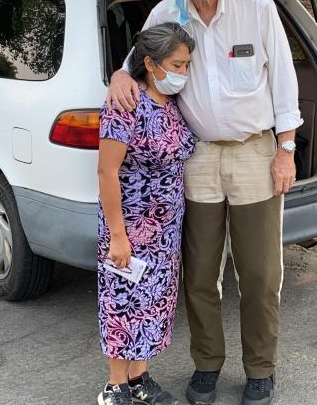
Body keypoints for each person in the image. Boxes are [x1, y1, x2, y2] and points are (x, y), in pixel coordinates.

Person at [108, 0, 302, 405]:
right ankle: (207, 365)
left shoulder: (255, 6)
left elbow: (284, 78)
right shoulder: (164, 15)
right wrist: (116, 73)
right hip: (196, 158)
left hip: (256, 153)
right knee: (199, 274)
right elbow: (136, 66)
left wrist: (286, 149)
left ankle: (260, 369)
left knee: (259, 274)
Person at [97, 23, 197, 405]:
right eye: (177, 64)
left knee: (153, 303)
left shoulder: (169, 105)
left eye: (187, 65)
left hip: (165, 231)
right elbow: (107, 172)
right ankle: (114, 386)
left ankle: (140, 378)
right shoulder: (125, 104)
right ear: (150, 63)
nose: (183, 74)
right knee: (123, 302)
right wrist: (118, 234)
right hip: (130, 228)